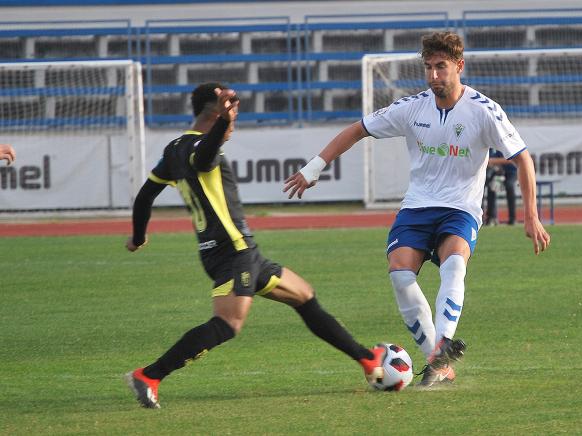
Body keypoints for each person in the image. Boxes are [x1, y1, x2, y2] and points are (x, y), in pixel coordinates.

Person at [284, 31, 551, 389]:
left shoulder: (485, 111)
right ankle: (437, 360)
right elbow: (357, 129)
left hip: (460, 209)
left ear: (459, 65)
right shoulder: (411, 108)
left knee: (454, 264)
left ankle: (443, 343)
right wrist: (313, 167)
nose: (433, 75)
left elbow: (523, 160)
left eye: (441, 67)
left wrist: (531, 214)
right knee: (399, 274)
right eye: (428, 67)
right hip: (417, 207)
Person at [124, 83, 384, 409]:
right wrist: (222, 121)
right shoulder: (200, 148)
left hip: (240, 252)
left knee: (303, 295)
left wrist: (137, 237)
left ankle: (368, 360)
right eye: (230, 116)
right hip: (233, 251)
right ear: (217, 113)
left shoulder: (174, 149)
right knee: (228, 324)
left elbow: (145, 196)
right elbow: (204, 158)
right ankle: (149, 375)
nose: (234, 123)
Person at [485, 148, 518, 225]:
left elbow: (510, 159)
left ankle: (512, 218)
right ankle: (491, 217)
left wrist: (492, 161)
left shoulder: (507, 141)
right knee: (491, 187)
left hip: (511, 172)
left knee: (509, 186)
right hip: (499, 172)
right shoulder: (492, 145)